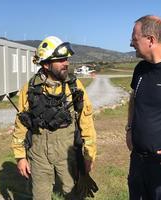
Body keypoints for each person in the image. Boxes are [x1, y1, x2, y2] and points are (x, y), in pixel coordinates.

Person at [11, 36, 97, 199]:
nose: (66, 63)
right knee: (40, 195)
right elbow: (20, 124)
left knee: (74, 194)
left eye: (66, 59)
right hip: (38, 152)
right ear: (45, 64)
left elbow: (86, 121)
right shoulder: (30, 88)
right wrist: (20, 156)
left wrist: (89, 154)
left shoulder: (74, 87)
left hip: (68, 151)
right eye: (60, 60)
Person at [126, 15, 161, 200]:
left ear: (150, 40)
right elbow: (134, 98)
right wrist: (129, 129)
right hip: (138, 163)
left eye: (134, 38)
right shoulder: (140, 69)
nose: (130, 43)